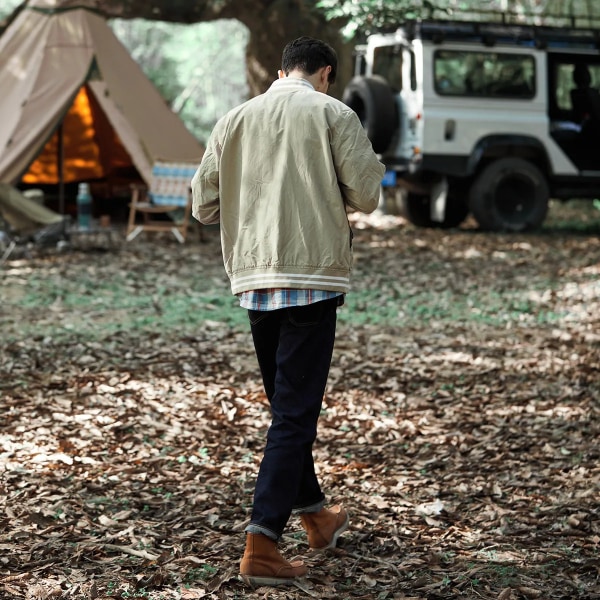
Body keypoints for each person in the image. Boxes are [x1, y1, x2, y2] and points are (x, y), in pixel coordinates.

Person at [191, 36, 384, 587]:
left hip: (253, 280)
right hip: (312, 278)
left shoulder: (234, 119)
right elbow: (367, 195)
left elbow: (203, 205)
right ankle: (262, 543)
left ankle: (318, 517)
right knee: (295, 415)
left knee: (287, 407)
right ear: (325, 72)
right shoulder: (332, 112)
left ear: (280, 71)